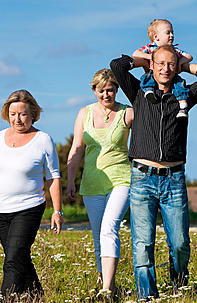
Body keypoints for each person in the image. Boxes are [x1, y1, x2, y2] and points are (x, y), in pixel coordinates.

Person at [110, 44, 197, 300]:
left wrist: (184, 64)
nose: (166, 69)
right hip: (142, 178)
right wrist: (145, 59)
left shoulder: (185, 96)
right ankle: (147, 295)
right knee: (142, 244)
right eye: (160, 64)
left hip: (174, 178)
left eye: (171, 64)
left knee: (180, 244)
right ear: (152, 66)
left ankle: (178, 280)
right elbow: (117, 66)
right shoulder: (137, 92)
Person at [0, 89, 63, 300]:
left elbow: (53, 177)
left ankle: (7, 298)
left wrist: (57, 211)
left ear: (32, 113)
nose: (18, 118)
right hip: (1, 208)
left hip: (29, 207)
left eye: (23, 114)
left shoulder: (43, 139)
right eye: (13, 113)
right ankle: (37, 297)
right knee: (18, 256)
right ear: (7, 114)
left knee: (13, 261)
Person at [65, 68, 134, 299]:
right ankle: (108, 287)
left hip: (121, 179)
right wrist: (70, 181)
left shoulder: (128, 113)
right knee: (98, 237)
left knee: (109, 228)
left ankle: (107, 288)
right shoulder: (84, 113)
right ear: (94, 90)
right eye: (101, 90)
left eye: (111, 90)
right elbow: (76, 148)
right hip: (92, 181)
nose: (106, 95)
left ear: (117, 90)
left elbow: (149, 135)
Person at [133, 19, 193, 118]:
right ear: (156, 37)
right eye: (168, 33)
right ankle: (149, 91)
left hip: (170, 76)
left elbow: (189, 56)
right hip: (154, 73)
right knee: (146, 77)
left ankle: (183, 105)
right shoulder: (151, 48)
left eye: (172, 33)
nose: (172, 36)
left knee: (179, 84)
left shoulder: (174, 50)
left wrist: (178, 63)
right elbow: (135, 53)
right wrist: (151, 57)